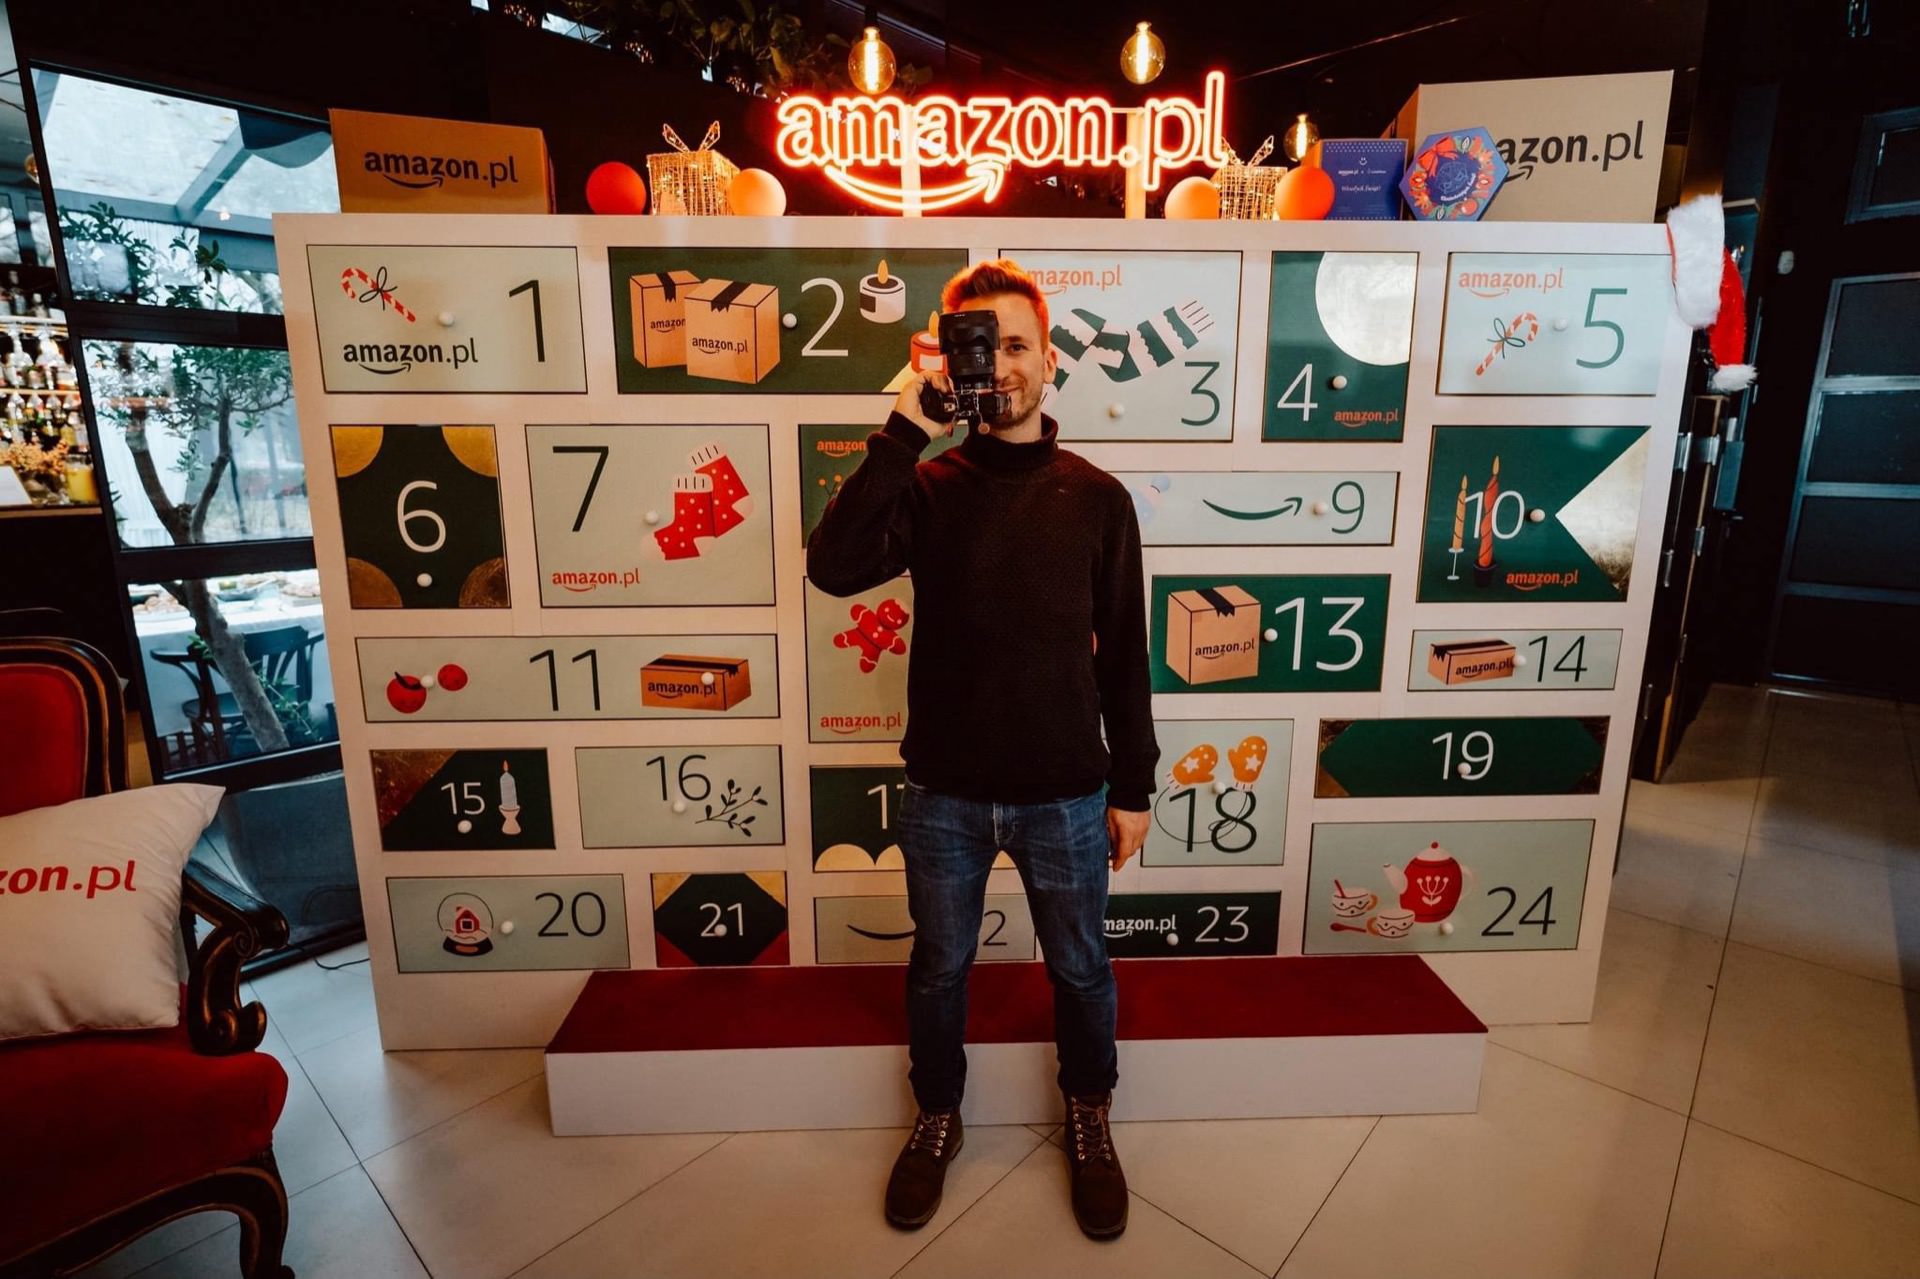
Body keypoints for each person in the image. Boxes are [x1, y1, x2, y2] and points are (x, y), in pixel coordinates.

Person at [807, 259, 1158, 1240]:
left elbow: (1126, 654)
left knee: (1083, 969)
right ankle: (938, 1115)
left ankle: (1089, 1114)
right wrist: (905, 428)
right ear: (946, 359)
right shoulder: (928, 485)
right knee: (938, 968)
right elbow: (834, 569)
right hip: (946, 793)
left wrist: (1133, 786)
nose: (997, 365)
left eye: (1014, 345)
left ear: (1048, 358)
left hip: (1066, 793)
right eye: (977, 346)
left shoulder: (1098, 497)